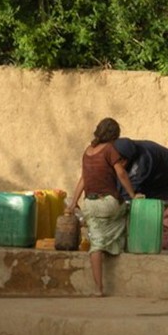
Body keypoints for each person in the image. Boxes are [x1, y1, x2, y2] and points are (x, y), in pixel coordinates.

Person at [67, 117, 139, 296]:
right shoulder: (110, 150)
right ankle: (119, 248)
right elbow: (121, 173)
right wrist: (132, 195)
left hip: (89, 205)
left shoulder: (87, 152)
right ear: (114, 135)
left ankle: (98, 288)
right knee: (126, 212)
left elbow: (83, 179)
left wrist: (73, 203)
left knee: (96, 244)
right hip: (107, 203)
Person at [113, 137, 168, 251]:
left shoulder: (143, 162)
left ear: (125, 160)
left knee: (163, 218)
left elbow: (128, 194)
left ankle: (166, 251)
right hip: (150, 181)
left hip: (167, 183)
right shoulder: (117, 153)